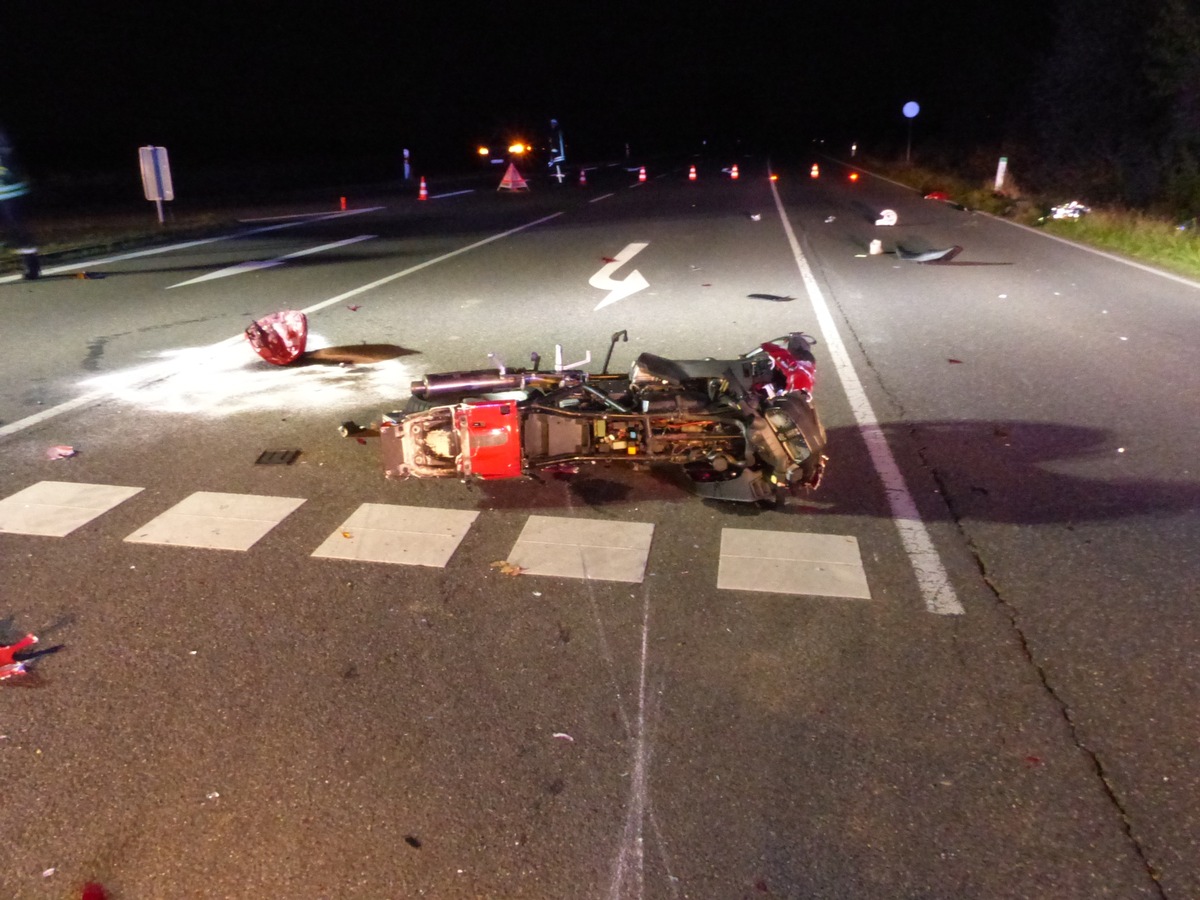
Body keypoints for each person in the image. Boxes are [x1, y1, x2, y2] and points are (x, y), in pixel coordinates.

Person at [0, 125, 40, 280]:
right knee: (18, 231)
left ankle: (32, 265)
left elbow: (7, 153)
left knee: (18, 230)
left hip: (10, 191)